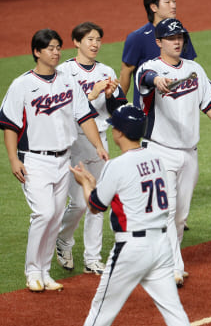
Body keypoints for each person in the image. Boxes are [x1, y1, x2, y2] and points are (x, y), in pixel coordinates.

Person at [0, 28, 108, 292]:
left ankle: (44, 272)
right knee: (44, 213)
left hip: (64, 160)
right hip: (34, 160)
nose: (56, 52)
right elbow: (10, 126)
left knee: (56, 215)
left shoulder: (68, 81)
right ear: (37, 52)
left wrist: (98, 145)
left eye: (58, 47)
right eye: (50, 48)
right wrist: (13, 159)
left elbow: (85, 116)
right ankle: (32, 271)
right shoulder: (22, 85)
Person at [69, 104, 190, 326]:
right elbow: (128, 191)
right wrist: (95, 184)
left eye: (114, 127)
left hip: (132, 249)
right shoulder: (156, 159)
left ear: (120, 132)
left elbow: (95, 206)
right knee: (174, 311)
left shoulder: (117, 165)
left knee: (100, 311)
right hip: (161, 246)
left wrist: (85, 183)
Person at [136, 18, 211, 286]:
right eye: (171, 38)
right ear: (159, 42)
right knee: (166, 211)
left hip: (189, 152)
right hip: (159, 151)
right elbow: (145, 79)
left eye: (180, 37)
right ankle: (173, 267)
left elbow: (208, 102)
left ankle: (165, 260)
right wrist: (158, 80)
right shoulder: (150, 67)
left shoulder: (194, 69)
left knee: (180, 216)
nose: (177, 42)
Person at [56, 22, 127, 275]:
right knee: (78, 203)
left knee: (97, 199)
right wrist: (91, 94)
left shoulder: (106, 71)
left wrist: (109, 96)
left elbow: (118, 108)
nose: (95, 44)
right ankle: (64, 239)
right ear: (76, 42)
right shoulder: (63, 72)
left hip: (99, 141)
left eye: (98, 39)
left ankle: (92, 258)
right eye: (89, 39)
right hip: (71, 142)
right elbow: (60, 111)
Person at [119, 0, 197, 105]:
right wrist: (118, 107)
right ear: (154, 7)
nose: (173, 5)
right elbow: (125, 74)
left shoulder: (181, 34)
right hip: (147, 110)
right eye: (167, 2)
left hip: (178, 106)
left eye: (174, 1)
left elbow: (191, 68)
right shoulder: (137, 38)